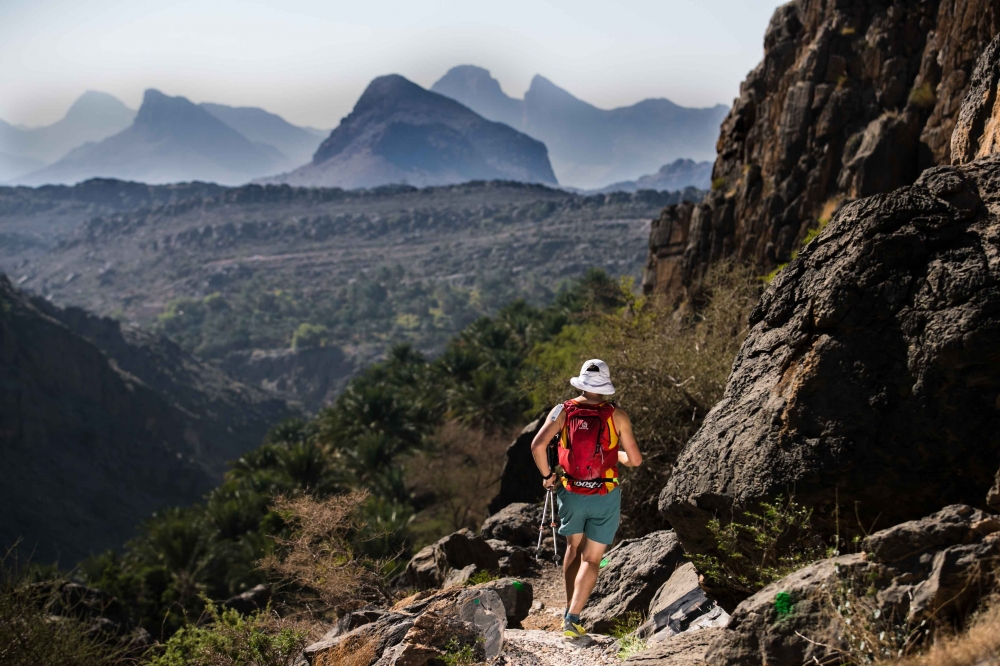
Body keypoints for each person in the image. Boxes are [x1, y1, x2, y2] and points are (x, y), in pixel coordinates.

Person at [530, 358, 643, 640]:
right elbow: (635, 460)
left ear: (581, 382)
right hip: (604, 494)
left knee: (573, 547)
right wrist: (615, 455)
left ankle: (568, 607)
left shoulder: (563, 411)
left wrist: (548, 476)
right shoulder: (617, 416)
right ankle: (573, 617)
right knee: (592, 559)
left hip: (571, 492)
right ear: (605, 385)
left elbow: (537, 446)